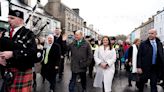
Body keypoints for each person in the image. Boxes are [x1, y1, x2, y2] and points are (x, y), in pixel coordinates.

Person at [0, 9, 37, 92]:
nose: (8, 20)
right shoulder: (6, 32)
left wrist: (13, 54)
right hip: (7, 71)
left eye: (12, 18)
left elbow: (32, 52)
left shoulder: (28, 33)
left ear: (20, 20)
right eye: (8, 17)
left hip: (21, 70)